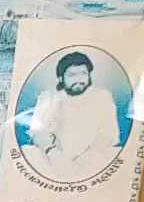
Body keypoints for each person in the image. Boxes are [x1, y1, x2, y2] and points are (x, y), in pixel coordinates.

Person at [21, 51, 120, 181]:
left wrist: (89, 156)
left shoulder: (102, 97)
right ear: (61, 78)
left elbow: (109, 133)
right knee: (28, 153)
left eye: (83, 73)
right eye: (72, 75)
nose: (79, 79)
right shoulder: (49, 97)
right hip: (54, 159)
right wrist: (53, 153)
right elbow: (38, 132)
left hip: (93, 157)